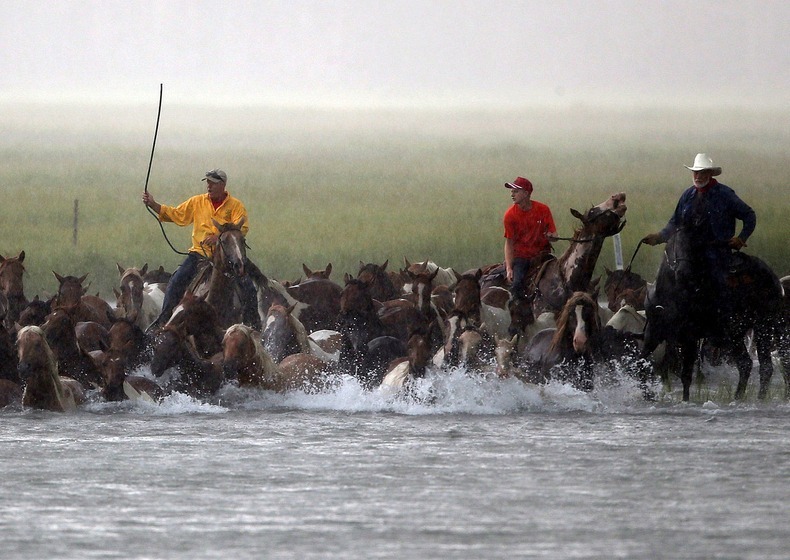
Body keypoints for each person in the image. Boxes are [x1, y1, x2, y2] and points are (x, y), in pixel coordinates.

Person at [641, 153, 756, 322]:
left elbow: (749, 215)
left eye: (702, 172)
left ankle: (724, 321)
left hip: (716, 251)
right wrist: (659, 237)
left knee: (718, 280)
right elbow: (675, 223)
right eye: (695, 172)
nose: (698, 176)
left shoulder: (725, 194)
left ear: (710, 174)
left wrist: (741, 238)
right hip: (688, 253)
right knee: (669, 276)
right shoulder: (688, 195)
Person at [142, 168, 260, 331]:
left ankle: (252, 327)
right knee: (176, 281)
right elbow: (177, 214)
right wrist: (153, 204)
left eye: (213, 183)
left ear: (223, 185)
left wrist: (218, 237)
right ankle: (163, 322)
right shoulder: (197, 202)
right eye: (208, 183)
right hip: (199, 254)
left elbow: (242, 228)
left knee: (249, 288)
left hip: (228, 258)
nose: (209, 186)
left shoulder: (235, 206)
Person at [503, 176, 558, 300]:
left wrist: (552, 237)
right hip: (521, 257)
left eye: (515, 191)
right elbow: (509, 243)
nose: (512, 194)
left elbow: (554, 235)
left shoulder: (543, 210)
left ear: (526, 193)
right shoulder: (510, 215)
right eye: (511, 191)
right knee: (517, 284)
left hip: (543, 256)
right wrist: (509, 268)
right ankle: (519, 310)